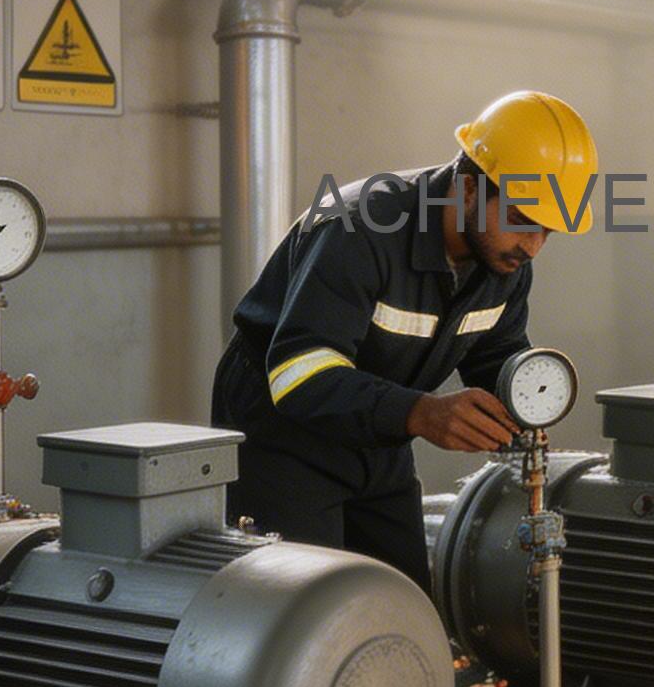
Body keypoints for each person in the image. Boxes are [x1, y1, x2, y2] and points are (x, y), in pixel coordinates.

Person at [211, 90, 597, 591]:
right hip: (283, 438)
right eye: (522, 220)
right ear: (467, 188)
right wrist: (424, 413)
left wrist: (523, 396)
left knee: (402, 598)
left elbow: (494, 353)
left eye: (549, 230)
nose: (533, 246)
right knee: (302, 614)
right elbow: (297, 373)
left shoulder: (501, 262)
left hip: (379, 435)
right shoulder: (359, 227)